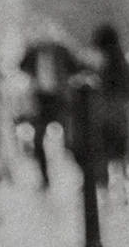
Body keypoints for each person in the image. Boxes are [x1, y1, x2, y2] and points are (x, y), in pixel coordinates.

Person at [74, 23, 129, 195]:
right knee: (118, 145)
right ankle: (121, 182)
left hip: (103, 107)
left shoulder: (99, 58)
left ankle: (102, 181)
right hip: (120, 107)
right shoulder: (122, 58)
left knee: (100, 144)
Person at [18, 29, 82, 184]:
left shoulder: (61, 51)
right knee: (38, 139)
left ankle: (80, 174)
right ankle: (44, 176)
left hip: (59, 98)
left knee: (70, 137)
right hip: (40, 99)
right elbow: (22, 66)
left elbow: (76, 66)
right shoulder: (33, 52)